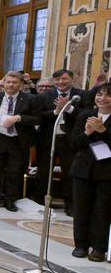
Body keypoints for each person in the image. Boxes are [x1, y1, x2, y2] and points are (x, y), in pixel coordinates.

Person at [0, 70, 41, 211]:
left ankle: (10, 200)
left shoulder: (30, 99)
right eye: (8, 82)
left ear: (21, 84)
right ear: (4, 83)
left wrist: (19, 117)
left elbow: (38, 118)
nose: (11, 85)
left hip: (18, 140)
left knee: (14, 171)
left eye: (15, 82)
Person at [68, 83, 111, 261]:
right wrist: (86, 133)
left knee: (102, 210)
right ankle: (80, 244)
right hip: (83, 169)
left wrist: (104, 132)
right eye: (99, 94)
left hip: (107, 172)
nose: (102, 98)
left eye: (108, 95)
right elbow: (73, 144)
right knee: (81, 208)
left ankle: (99, 247)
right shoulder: (85, 115)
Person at [35, 68, 87, 214]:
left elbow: (85, 114)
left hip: (69, 141)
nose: (61, 82)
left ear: (71, 79)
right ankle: (40, 202)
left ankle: (70, 204)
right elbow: (39, 116)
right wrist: (56, 112)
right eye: (57, 80)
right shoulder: (45, 96)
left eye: (64, 79)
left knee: (69, 174)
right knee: (44, 173)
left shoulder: (81, 95)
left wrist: (69, 108)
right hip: (48, 140)